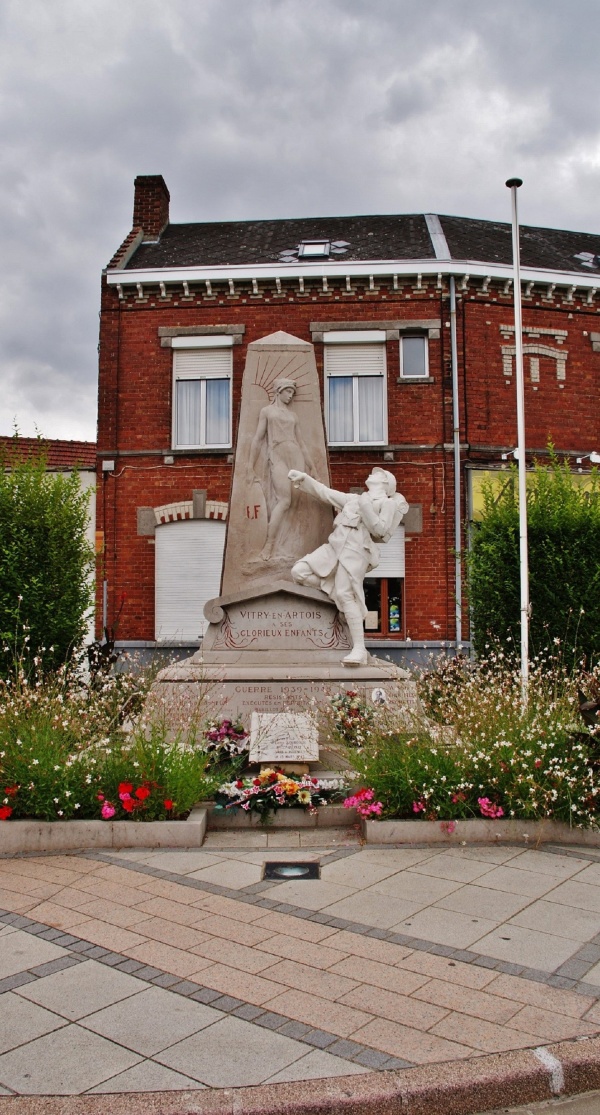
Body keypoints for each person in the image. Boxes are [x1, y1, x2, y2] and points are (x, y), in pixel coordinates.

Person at [288, 467, 408, 666]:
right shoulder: (353, 499)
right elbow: (326, 493)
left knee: (346, 594)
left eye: (377, 474)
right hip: (334, 546)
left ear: (384, 483)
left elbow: (380, 531)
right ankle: (336, 592)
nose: (371, 474)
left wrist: (366, 507)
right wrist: (305, 479)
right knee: (298, 572)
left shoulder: (386, 503)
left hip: (356, 551)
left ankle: (359, 649)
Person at [247, 379, 317, 561]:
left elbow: (301, 443)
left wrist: (313, 468)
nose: (291, 395)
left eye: (293, 392)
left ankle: (288, 545)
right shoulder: (267, 412)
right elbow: (257, 439)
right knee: (284, 500)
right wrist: (249, 466)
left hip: (295, 455)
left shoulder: (294, 416)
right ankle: (269, 546)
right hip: (277, 454)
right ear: (279, 391)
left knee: (295, 504)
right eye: (288, 391)